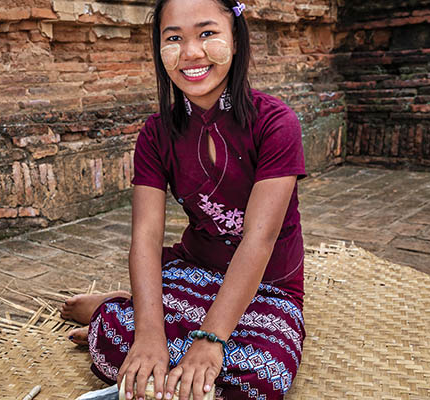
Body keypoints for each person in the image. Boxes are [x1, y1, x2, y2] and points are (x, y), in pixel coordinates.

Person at [61, 0, 306, 398]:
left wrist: (209, 341)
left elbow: (258, 241)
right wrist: (148, 334)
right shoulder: (155, 135)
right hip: (193, 271)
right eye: (174, 38)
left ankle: (117, 305)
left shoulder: (277, 123)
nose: (191, 53)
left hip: (269, 286)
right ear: (160, 51)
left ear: (236, 39)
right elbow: (144, 237)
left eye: (207, 34)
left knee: (263, 378)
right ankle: (128, 309)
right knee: (121, 347)